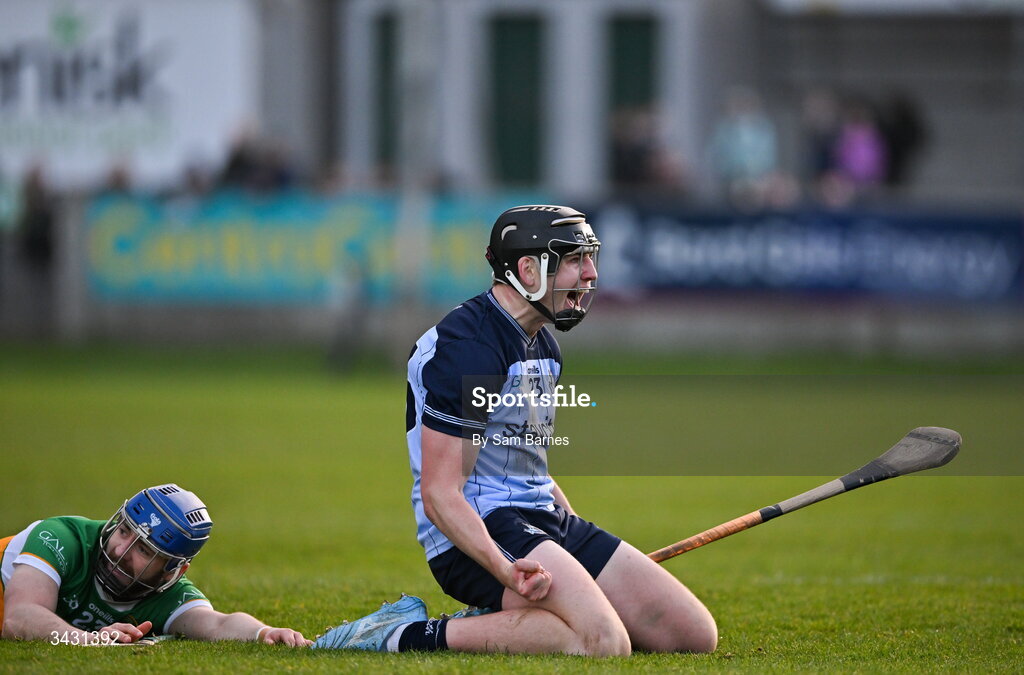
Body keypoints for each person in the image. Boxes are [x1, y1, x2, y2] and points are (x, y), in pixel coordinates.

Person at [313, 205, 717, 655]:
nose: (589, 274)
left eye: (590, 258)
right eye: (574, 260)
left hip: (540, 521)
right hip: (473, 532)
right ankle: (398, 635)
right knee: (603, 643)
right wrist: (504, 572)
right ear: (527, 269)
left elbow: (525, 461)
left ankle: (512, 619)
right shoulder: (466, 349)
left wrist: (575, 538)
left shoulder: (544, 342)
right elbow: (440, 495)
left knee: (692, 634)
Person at [1, 483, 310, 647]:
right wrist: (90, 640)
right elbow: (17, 620)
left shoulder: (168, 596)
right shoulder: (61, 537)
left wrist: (265, 633)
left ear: (173, 571)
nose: (122, 550)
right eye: (124, 531)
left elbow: (217, 623)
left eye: (145, 551)